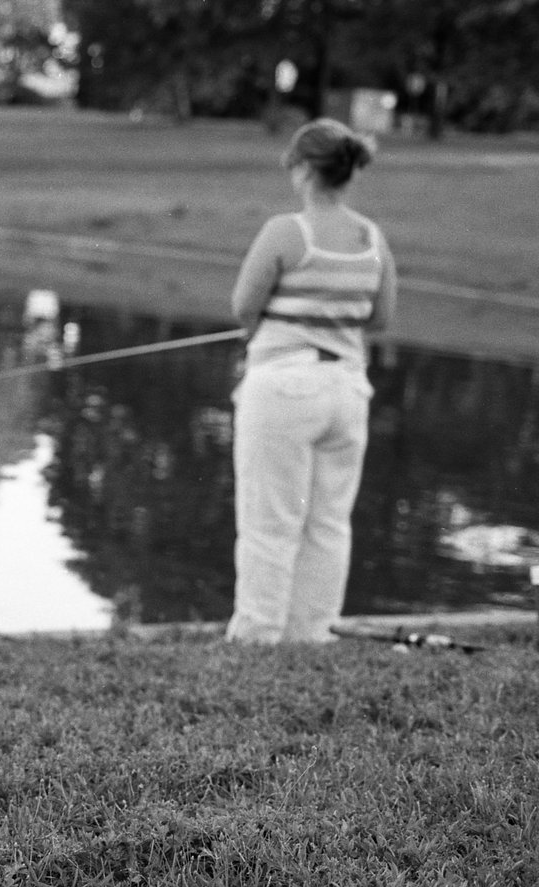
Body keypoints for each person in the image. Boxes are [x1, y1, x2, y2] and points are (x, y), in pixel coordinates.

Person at [227, 117, 398, 645]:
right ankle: (312, 635)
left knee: (270, 520)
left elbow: (242, 308)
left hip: (283, 387)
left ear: (304, 171)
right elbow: (380, 318)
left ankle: (257, 637)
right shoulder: (372, 238)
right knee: (328, 521)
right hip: (346, 390)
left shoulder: (286, 231)